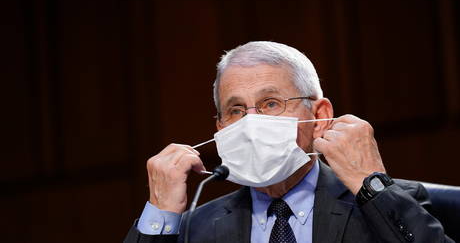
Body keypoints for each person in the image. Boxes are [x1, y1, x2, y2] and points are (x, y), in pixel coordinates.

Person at [124, 41, 453, 243]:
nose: (252, 123)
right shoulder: (196, 227)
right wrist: (160, 212)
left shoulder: (387, 203)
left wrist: (371, 187)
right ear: (221, 127)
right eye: (236, 110)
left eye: (270, 104)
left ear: (320, 116)